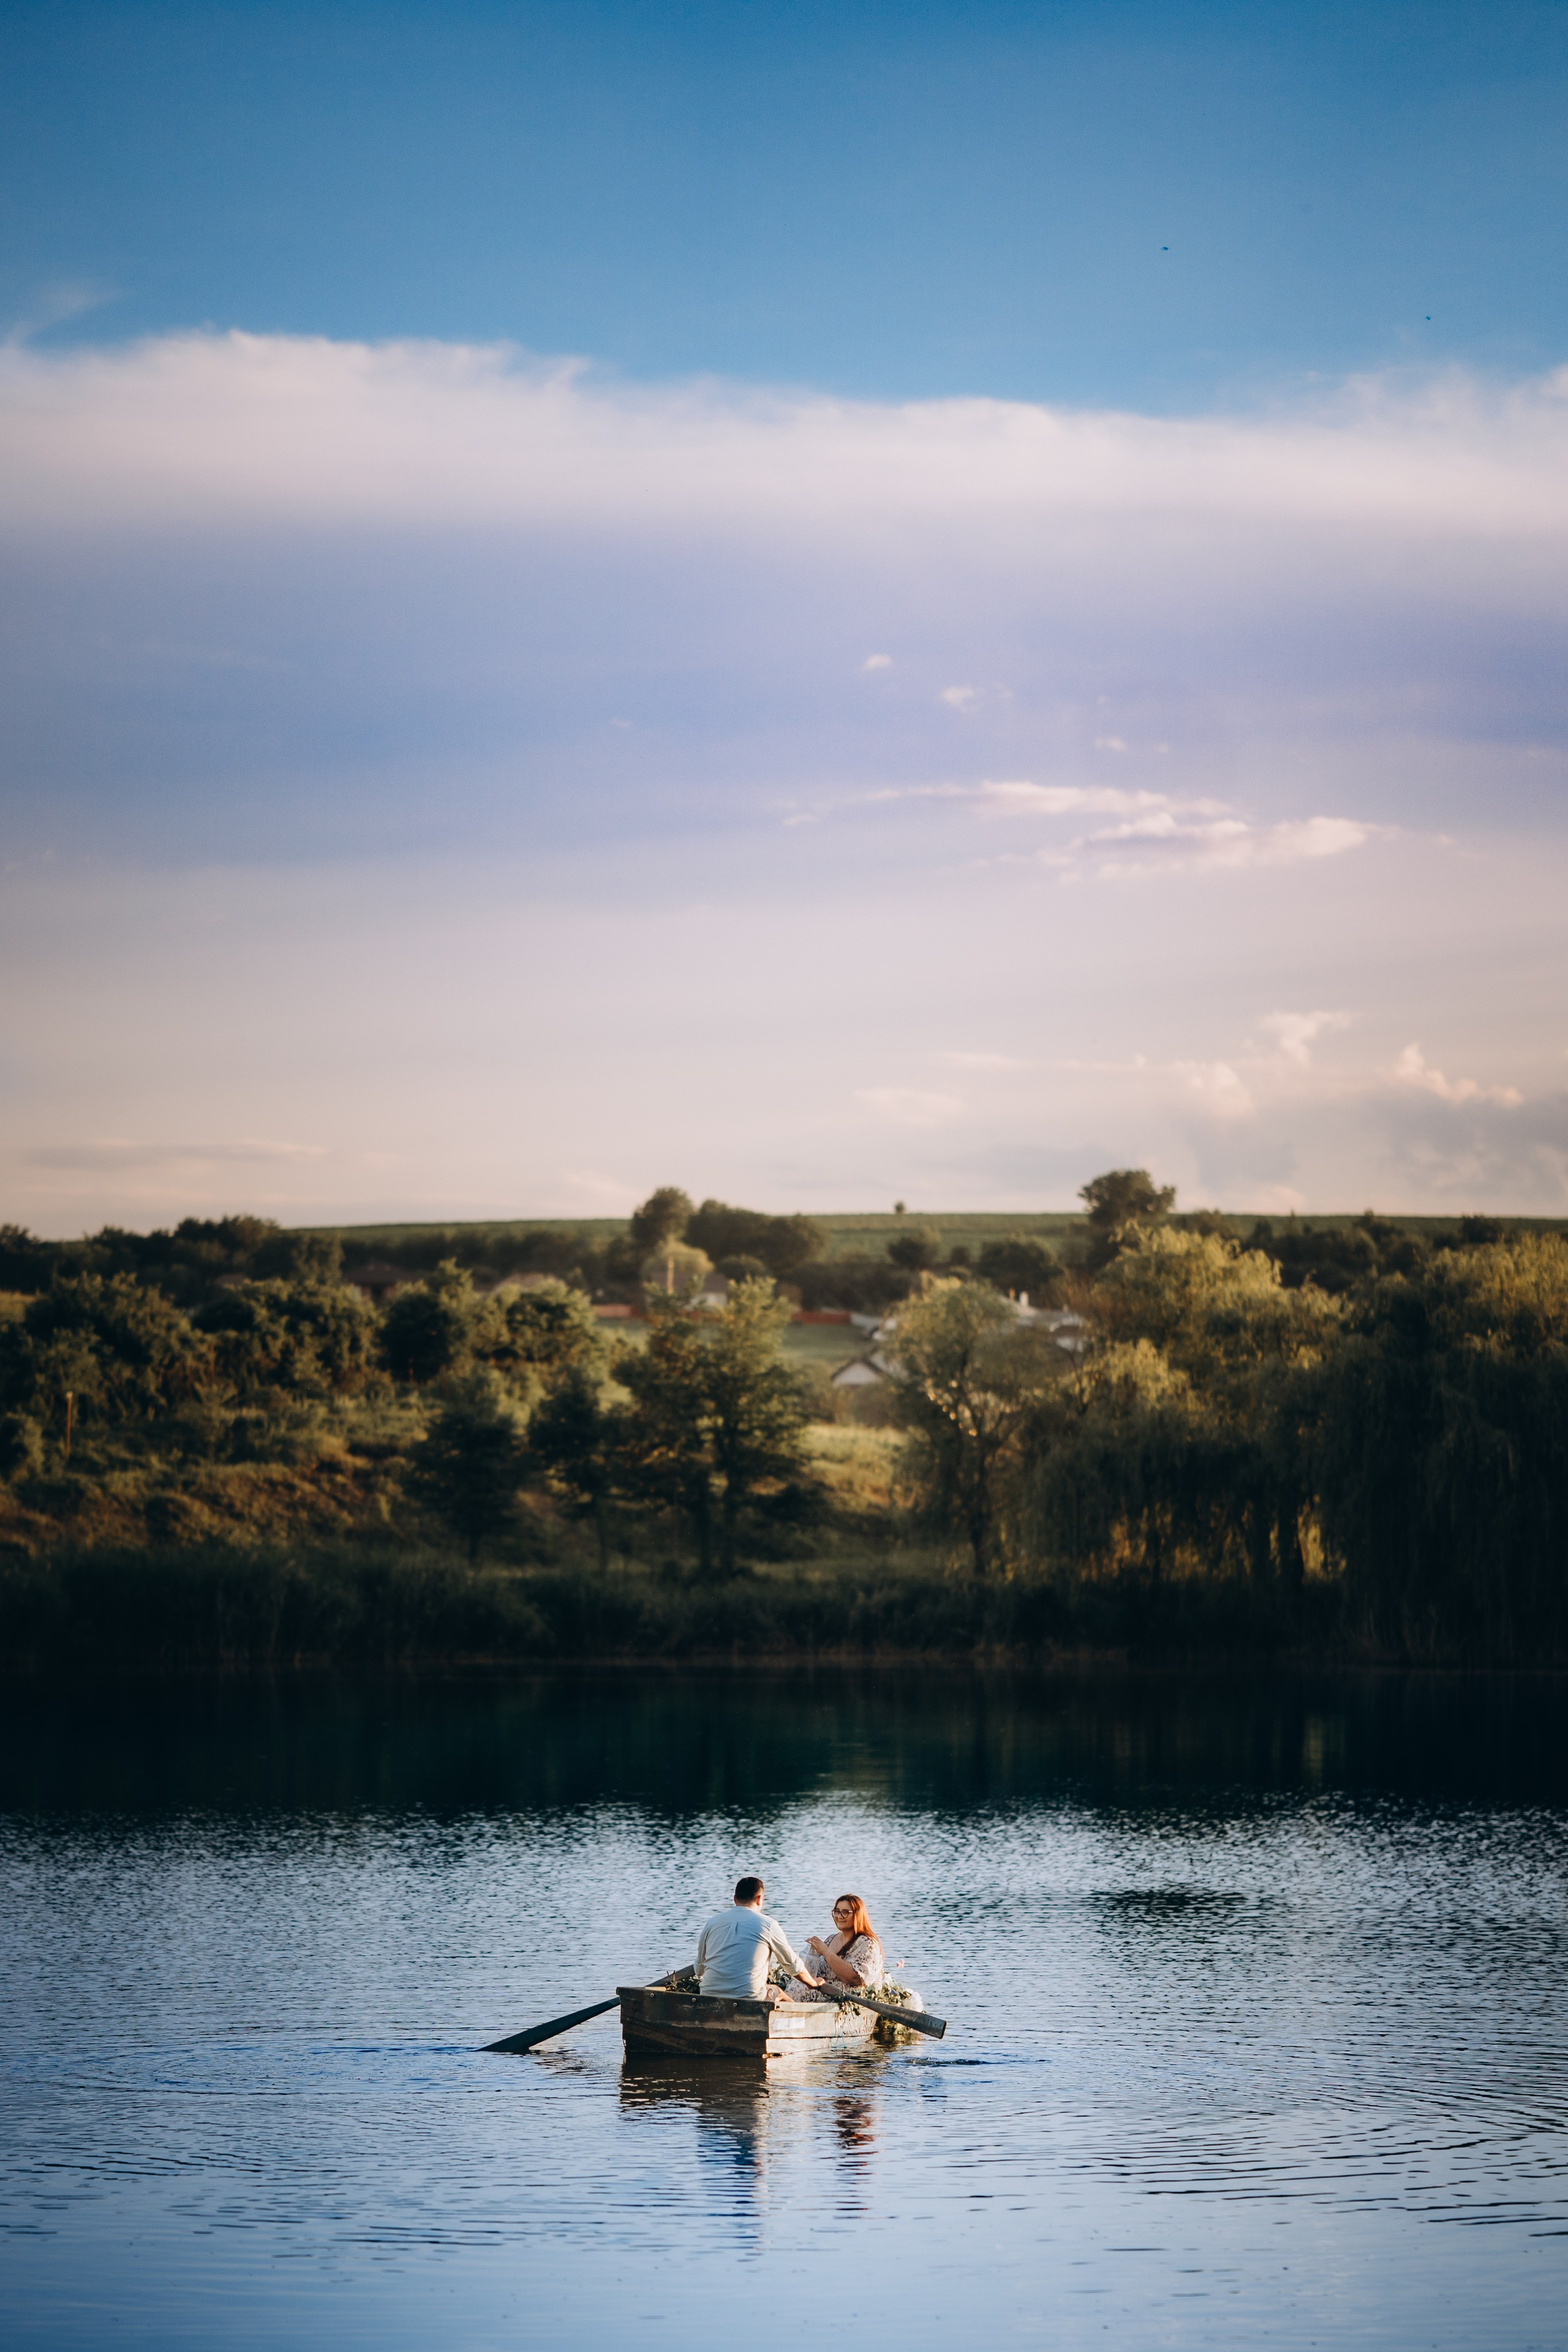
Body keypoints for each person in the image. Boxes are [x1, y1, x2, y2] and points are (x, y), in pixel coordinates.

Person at [695, 1876, 809, 2003]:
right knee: (777, 1991)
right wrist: (814, 1984)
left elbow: (699, 1970)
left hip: (708, 1995)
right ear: (760, 1899)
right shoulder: (768, 1924)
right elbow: (793, 1965)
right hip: (750, 1998)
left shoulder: (712, 1923)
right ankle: (801, 2019)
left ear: (734, 1899)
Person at [790, 1894, 884, 2003]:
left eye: (845, 1912)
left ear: (858, 1915)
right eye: (837, 1911)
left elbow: (855, 1977)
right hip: (820, 1990)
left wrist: (826, 1952)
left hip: (843, 1998)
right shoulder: (832, 1938)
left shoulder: (867, 1943)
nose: (839, 1916)